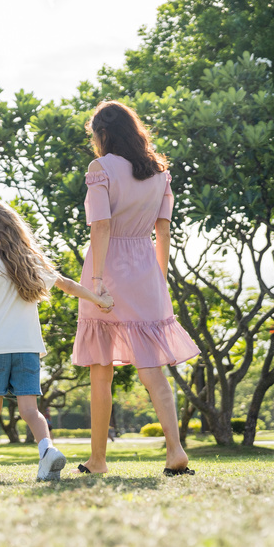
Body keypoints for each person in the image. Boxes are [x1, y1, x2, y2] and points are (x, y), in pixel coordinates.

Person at [0, 202, 114, 481]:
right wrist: (99, 299)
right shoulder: (32, 261)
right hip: (28, 347)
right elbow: (68, 285)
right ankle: (47, 450)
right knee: (30, 409)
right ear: (17, 230)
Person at [72, 100, 200, 476]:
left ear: (104, 134)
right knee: (152, 368)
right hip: (145, 269)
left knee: (101, 368)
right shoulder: (160, 172)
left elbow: (101, 227)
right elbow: (163, 230)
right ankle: (175, 451)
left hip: (108, 266)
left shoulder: (101, 169)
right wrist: (157, 277)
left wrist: (95, 281)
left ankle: (97, 460)